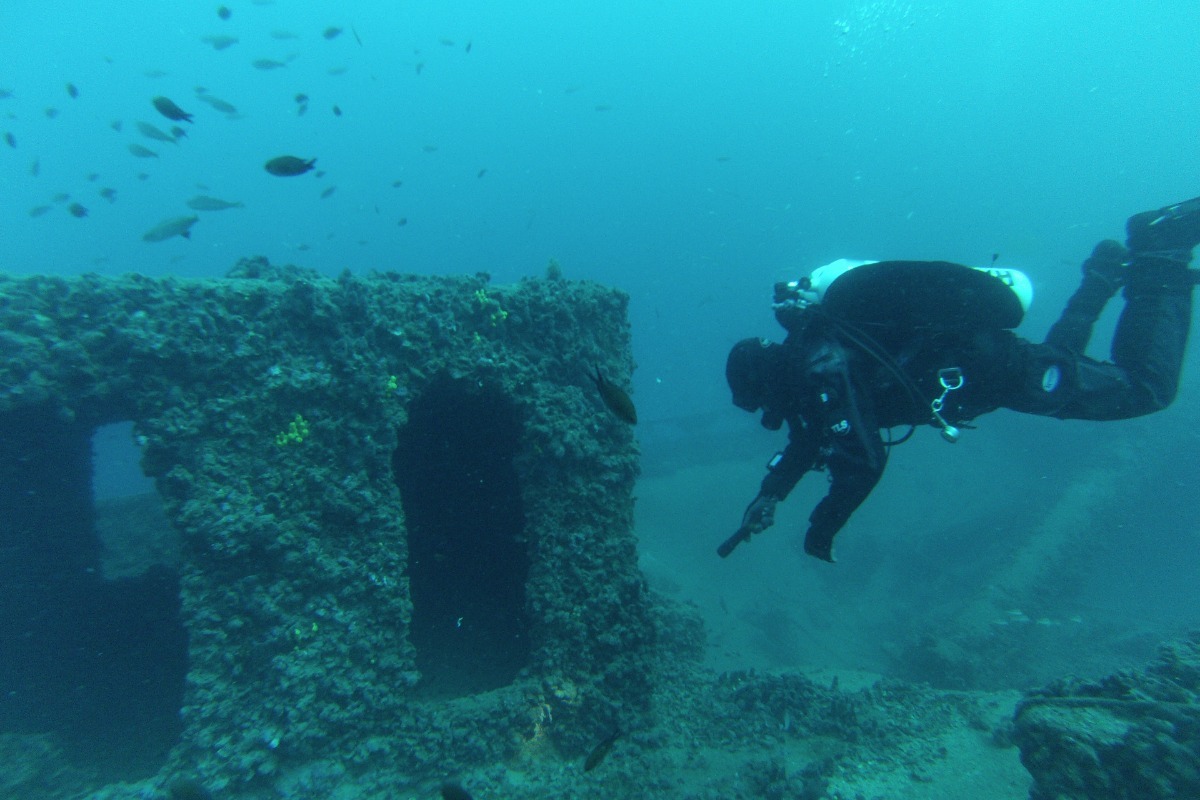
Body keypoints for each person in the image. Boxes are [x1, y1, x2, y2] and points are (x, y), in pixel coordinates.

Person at [721, 196, 1200, 562]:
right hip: (992, 375)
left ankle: (1162, 252)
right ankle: (1101, 276)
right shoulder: (816, 363)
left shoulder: (822, 373)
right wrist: (770, 495)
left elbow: (864, 460)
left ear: (766, 384)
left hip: (999, 373)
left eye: (761, 404)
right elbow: (811, 438)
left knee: (1145, 389)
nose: (772, 413)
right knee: (1057, 363)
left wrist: (821, 527)